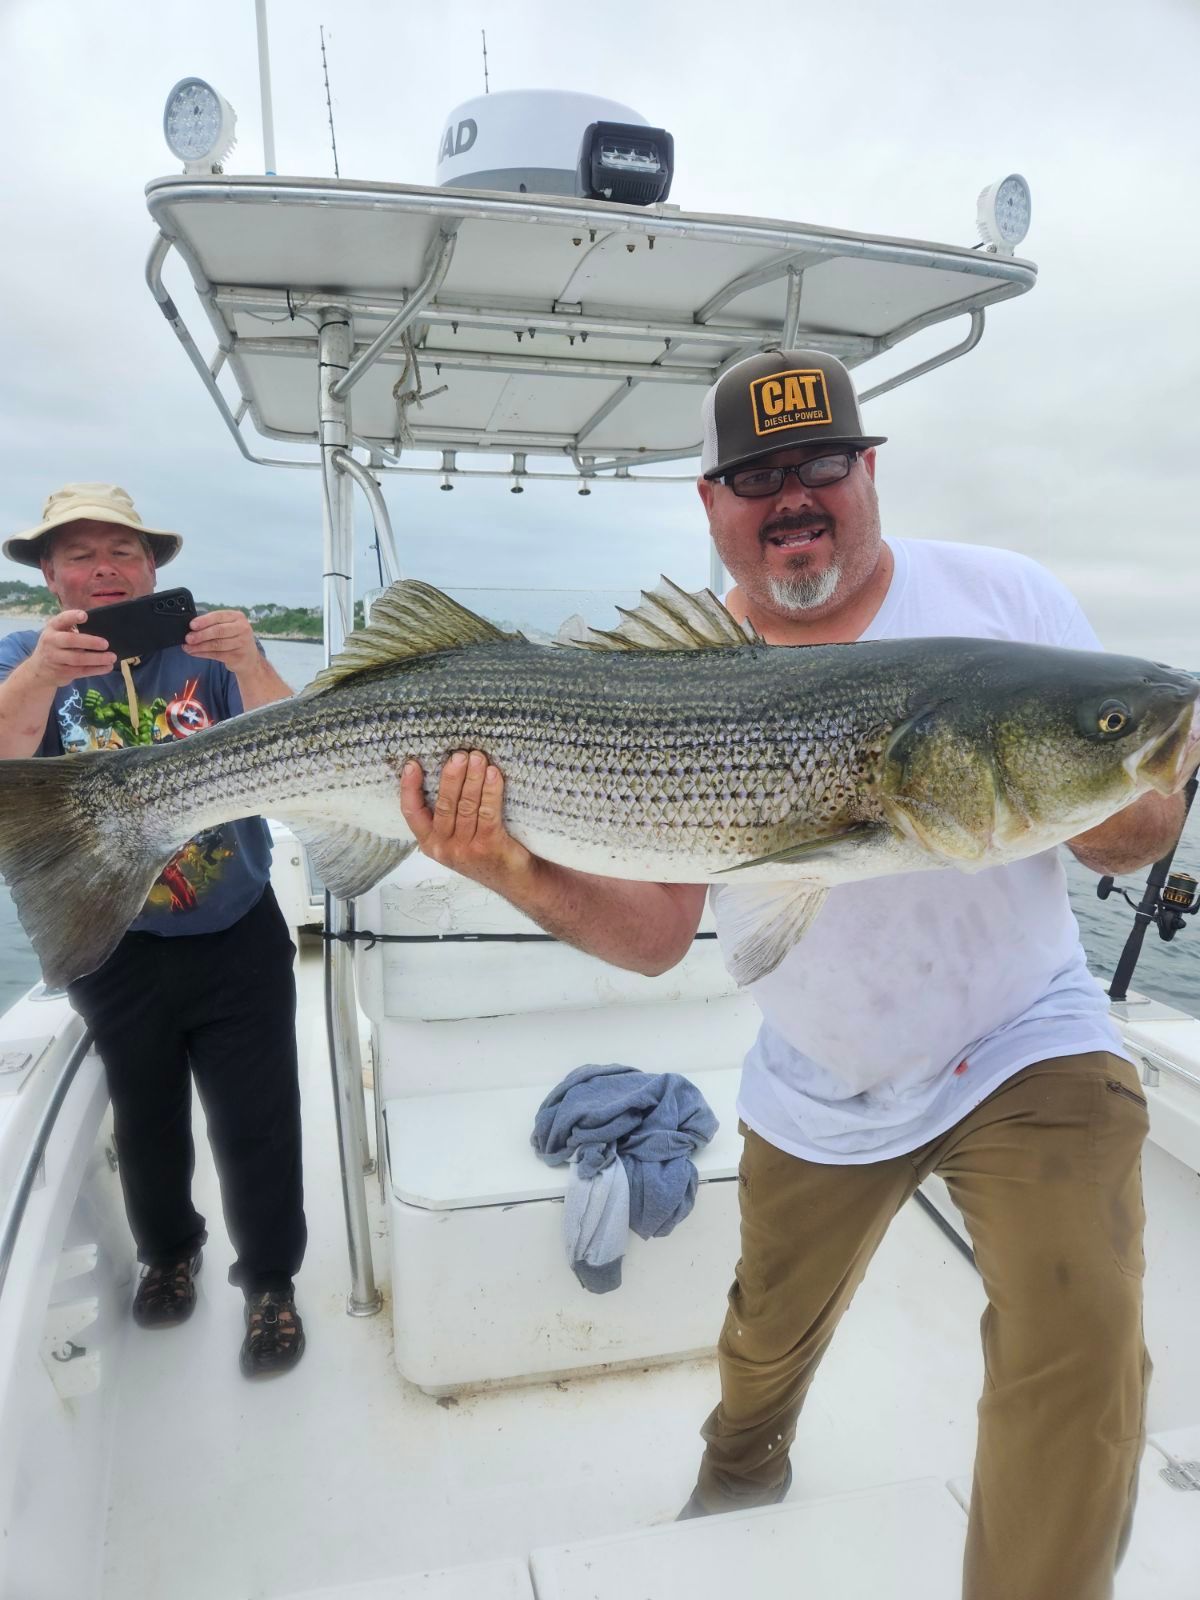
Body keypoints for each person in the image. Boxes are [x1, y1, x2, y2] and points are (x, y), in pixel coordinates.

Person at [396, 351, 1193, 1599]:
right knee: (764, 1340)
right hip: (819, 1070)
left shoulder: (1003, 601)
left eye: (822, 463)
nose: (795, 496)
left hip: (1024, 1037)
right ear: (711, 504)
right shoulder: (677, 666)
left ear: (869, 470)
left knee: (1081, 1328)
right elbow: (659, 939)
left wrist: (1122, 780)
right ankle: (743, 1458)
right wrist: (509, 868)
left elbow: (1139, 815)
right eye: (758, 475)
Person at [0, 483, 307, 1378]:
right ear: (50, 573)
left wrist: (249, 662)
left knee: (259, 1120)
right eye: (82, 554)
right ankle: (169, 1252)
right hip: (112, 940)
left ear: (154, 568)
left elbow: (301, 745)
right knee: (147, 1121)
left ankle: (270, 1284)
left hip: (235, 929)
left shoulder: (205, 655)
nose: (105, 569)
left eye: (123, 551)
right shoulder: (27, 656)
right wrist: (41, 676)